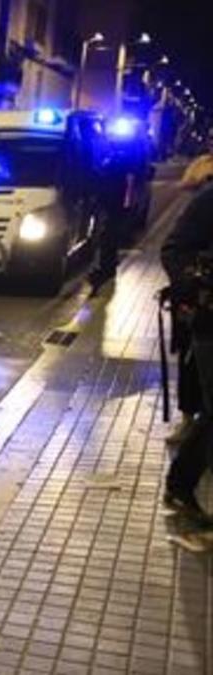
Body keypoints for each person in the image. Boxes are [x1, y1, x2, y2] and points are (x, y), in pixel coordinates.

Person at [160, 169, 213, 528]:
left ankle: (180, 485)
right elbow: (174, 250)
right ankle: (180, 485)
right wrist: (196, 285)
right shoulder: (208, 200)